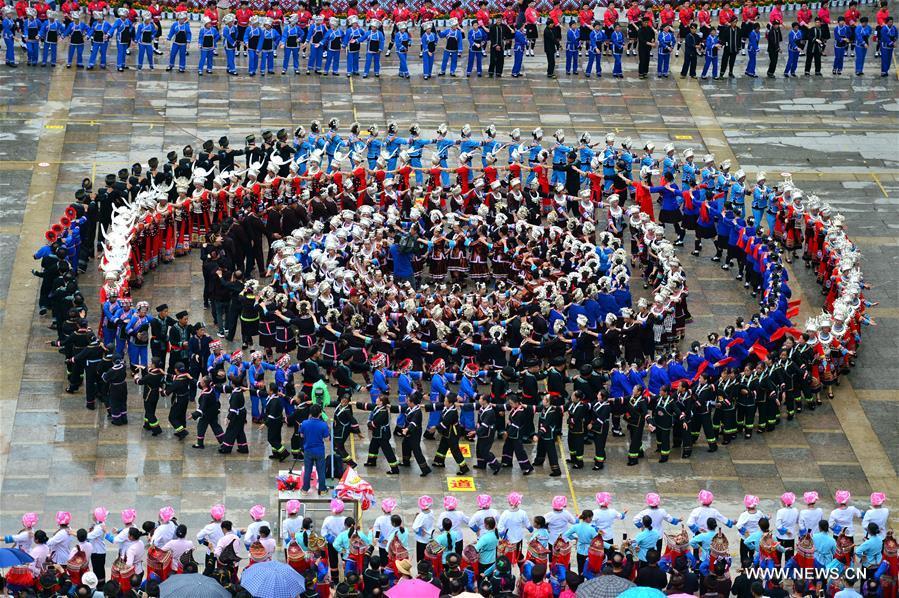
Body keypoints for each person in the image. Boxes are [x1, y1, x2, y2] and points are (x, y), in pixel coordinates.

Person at [299, 404, 330, 494]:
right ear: (320, 413)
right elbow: (327, 439)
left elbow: (301, 435)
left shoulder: (304, 423)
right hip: (319, 451)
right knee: (321, 471)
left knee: (307, 470)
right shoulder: (323, 425)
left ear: (310, 413)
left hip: (308, 450)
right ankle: (322, 489)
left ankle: (305, 489)